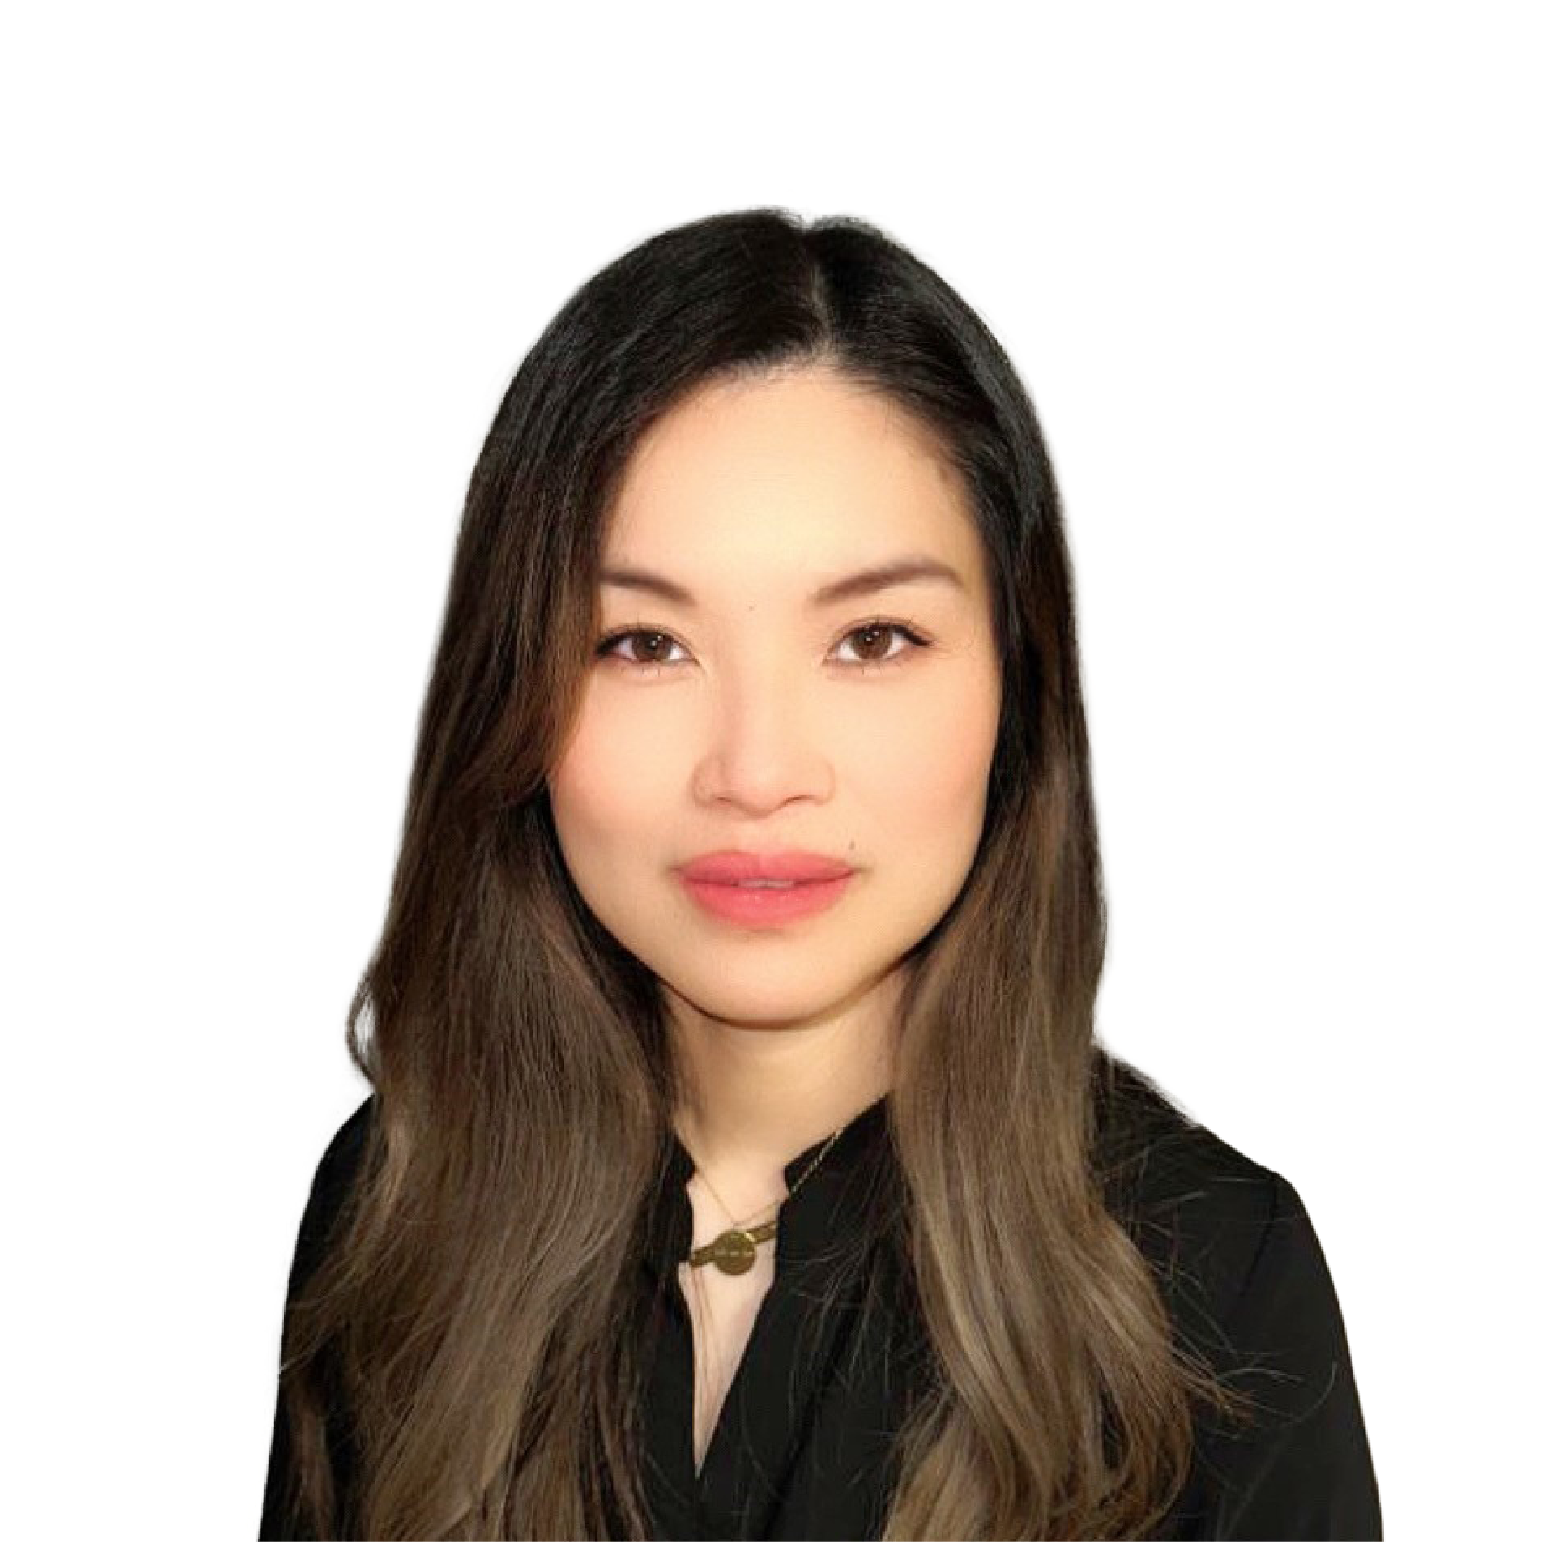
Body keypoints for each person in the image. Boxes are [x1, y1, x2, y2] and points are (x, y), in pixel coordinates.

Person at [258, 208, 1382, 1540]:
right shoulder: (401, 1202)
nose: (755, 766)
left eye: (871, 638)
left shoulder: (1212, 1281)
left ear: (1018, 686)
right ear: (514, 693)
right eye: (641, 644)